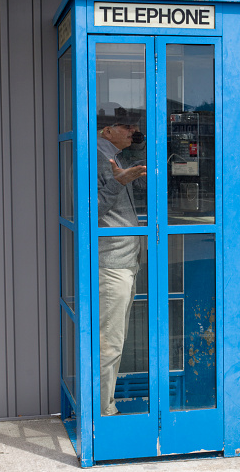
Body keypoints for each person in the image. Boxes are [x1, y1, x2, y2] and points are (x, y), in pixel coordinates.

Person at [97, 103, 146, 416]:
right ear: (107, 129)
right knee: (110, 341)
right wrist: (120, 180)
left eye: (135, 126)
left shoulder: (113, 155)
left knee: (116, 337)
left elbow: (135, 184)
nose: (133, 131)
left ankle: (105, 405)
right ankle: (103, 412)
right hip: (112, 262)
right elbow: (92, 208)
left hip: (126, 260)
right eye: (126, 126)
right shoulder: (99, 157)